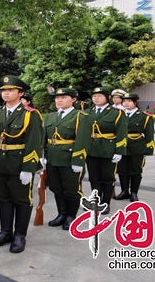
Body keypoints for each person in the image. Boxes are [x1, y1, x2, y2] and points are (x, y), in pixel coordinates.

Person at [0, 75, 42, 253]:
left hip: (19, 164)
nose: (6, 93)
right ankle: (5, 232)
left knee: (21, 200)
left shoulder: (30, 115)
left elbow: (34, 143)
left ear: (21, 93)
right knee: (3, 198)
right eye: (3, 90)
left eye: (10, 90)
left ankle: (20, 235)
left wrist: (28, 168)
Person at [43, 87, 92, 230]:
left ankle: (71, 216)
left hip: (69, 159)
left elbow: (83, 140)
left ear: (74, 99)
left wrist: (78, 160)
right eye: (57, 98)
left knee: (71, 190)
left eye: (64, 97)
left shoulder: (81, 117)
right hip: (53, 159)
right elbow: (45, 137)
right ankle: (61, 214)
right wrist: (44, 156)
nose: (59, 100)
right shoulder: (51, 116)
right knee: (57, 188)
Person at [86, 87, 127, 215]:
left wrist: (119, 151)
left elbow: (122, 133)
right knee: (94, 177)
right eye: (94, 96)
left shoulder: (116, 113)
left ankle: (105, 203)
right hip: (91, 149)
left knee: (107, 178)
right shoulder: (87, 112)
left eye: (99, 96)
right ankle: (96, 202)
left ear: (108, 98)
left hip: (108, 150)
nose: (96, 98)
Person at [114, 93, 154, 202]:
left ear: (135, 102)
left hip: (137, 146)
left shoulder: (144, 116)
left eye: (129, 101)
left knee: (135, 170)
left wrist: (148, 149)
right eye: (124, 101)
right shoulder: (118, 115)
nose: (126, 103)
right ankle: (124, 191)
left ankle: (134, 193)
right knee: (122, 170)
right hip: (122, 146)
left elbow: (149, 134)